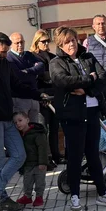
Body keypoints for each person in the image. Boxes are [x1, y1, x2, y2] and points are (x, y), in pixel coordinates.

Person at [0, 32, 44, 211]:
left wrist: (38, 95)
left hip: (8, 116)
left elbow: (17, 85)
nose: (6, 55)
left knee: (19, 154)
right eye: (3, 52)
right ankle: (1, 199)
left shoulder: (4, 63)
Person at [50, 26, 106, 211]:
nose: (71, 44)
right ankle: (75, 197)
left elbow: (103, 77)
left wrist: (88, 89)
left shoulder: (87, 57)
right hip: (73, 115)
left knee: (94, 155)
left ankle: (103, 193)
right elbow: (63, 81)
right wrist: (89, 78)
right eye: (66, 42)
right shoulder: (56, 62)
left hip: (93, 112)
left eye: (72, 40)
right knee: (75, 156)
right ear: (60, 45)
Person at [30, 29, 63, 165]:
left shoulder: (52, 56)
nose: (46, 43)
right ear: (37, 42)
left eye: (47, 41)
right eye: (43, 41)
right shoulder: (32, 57)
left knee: (55, 128)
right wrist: (40, 96)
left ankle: (56, 155)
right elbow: (33, 80)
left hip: (54, 95)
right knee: (43, 128)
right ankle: (45, 158)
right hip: (41, 97)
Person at [7, 32, 44, 123]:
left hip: (34, 98)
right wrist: (34, 71)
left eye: (22, 42)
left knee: (34, 128)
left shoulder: (29, 55)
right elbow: (19, 77)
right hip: (20, 99)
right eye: (17, 43)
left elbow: (41, 66)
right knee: (21, 128)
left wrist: (28, 71)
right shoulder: (9, 58)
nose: (20, 45)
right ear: (11, 44)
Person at [14, 111, 48, 206]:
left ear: (27, 120)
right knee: (27, 181)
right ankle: (27, 196)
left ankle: (39, 197)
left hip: (38, 164)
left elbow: (42, 148)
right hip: (27, 164)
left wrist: (43, 163)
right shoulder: (19, 135)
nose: (18, 124)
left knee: (40, 181)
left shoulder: (38, 133)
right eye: (15, 123)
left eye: (20, 120)